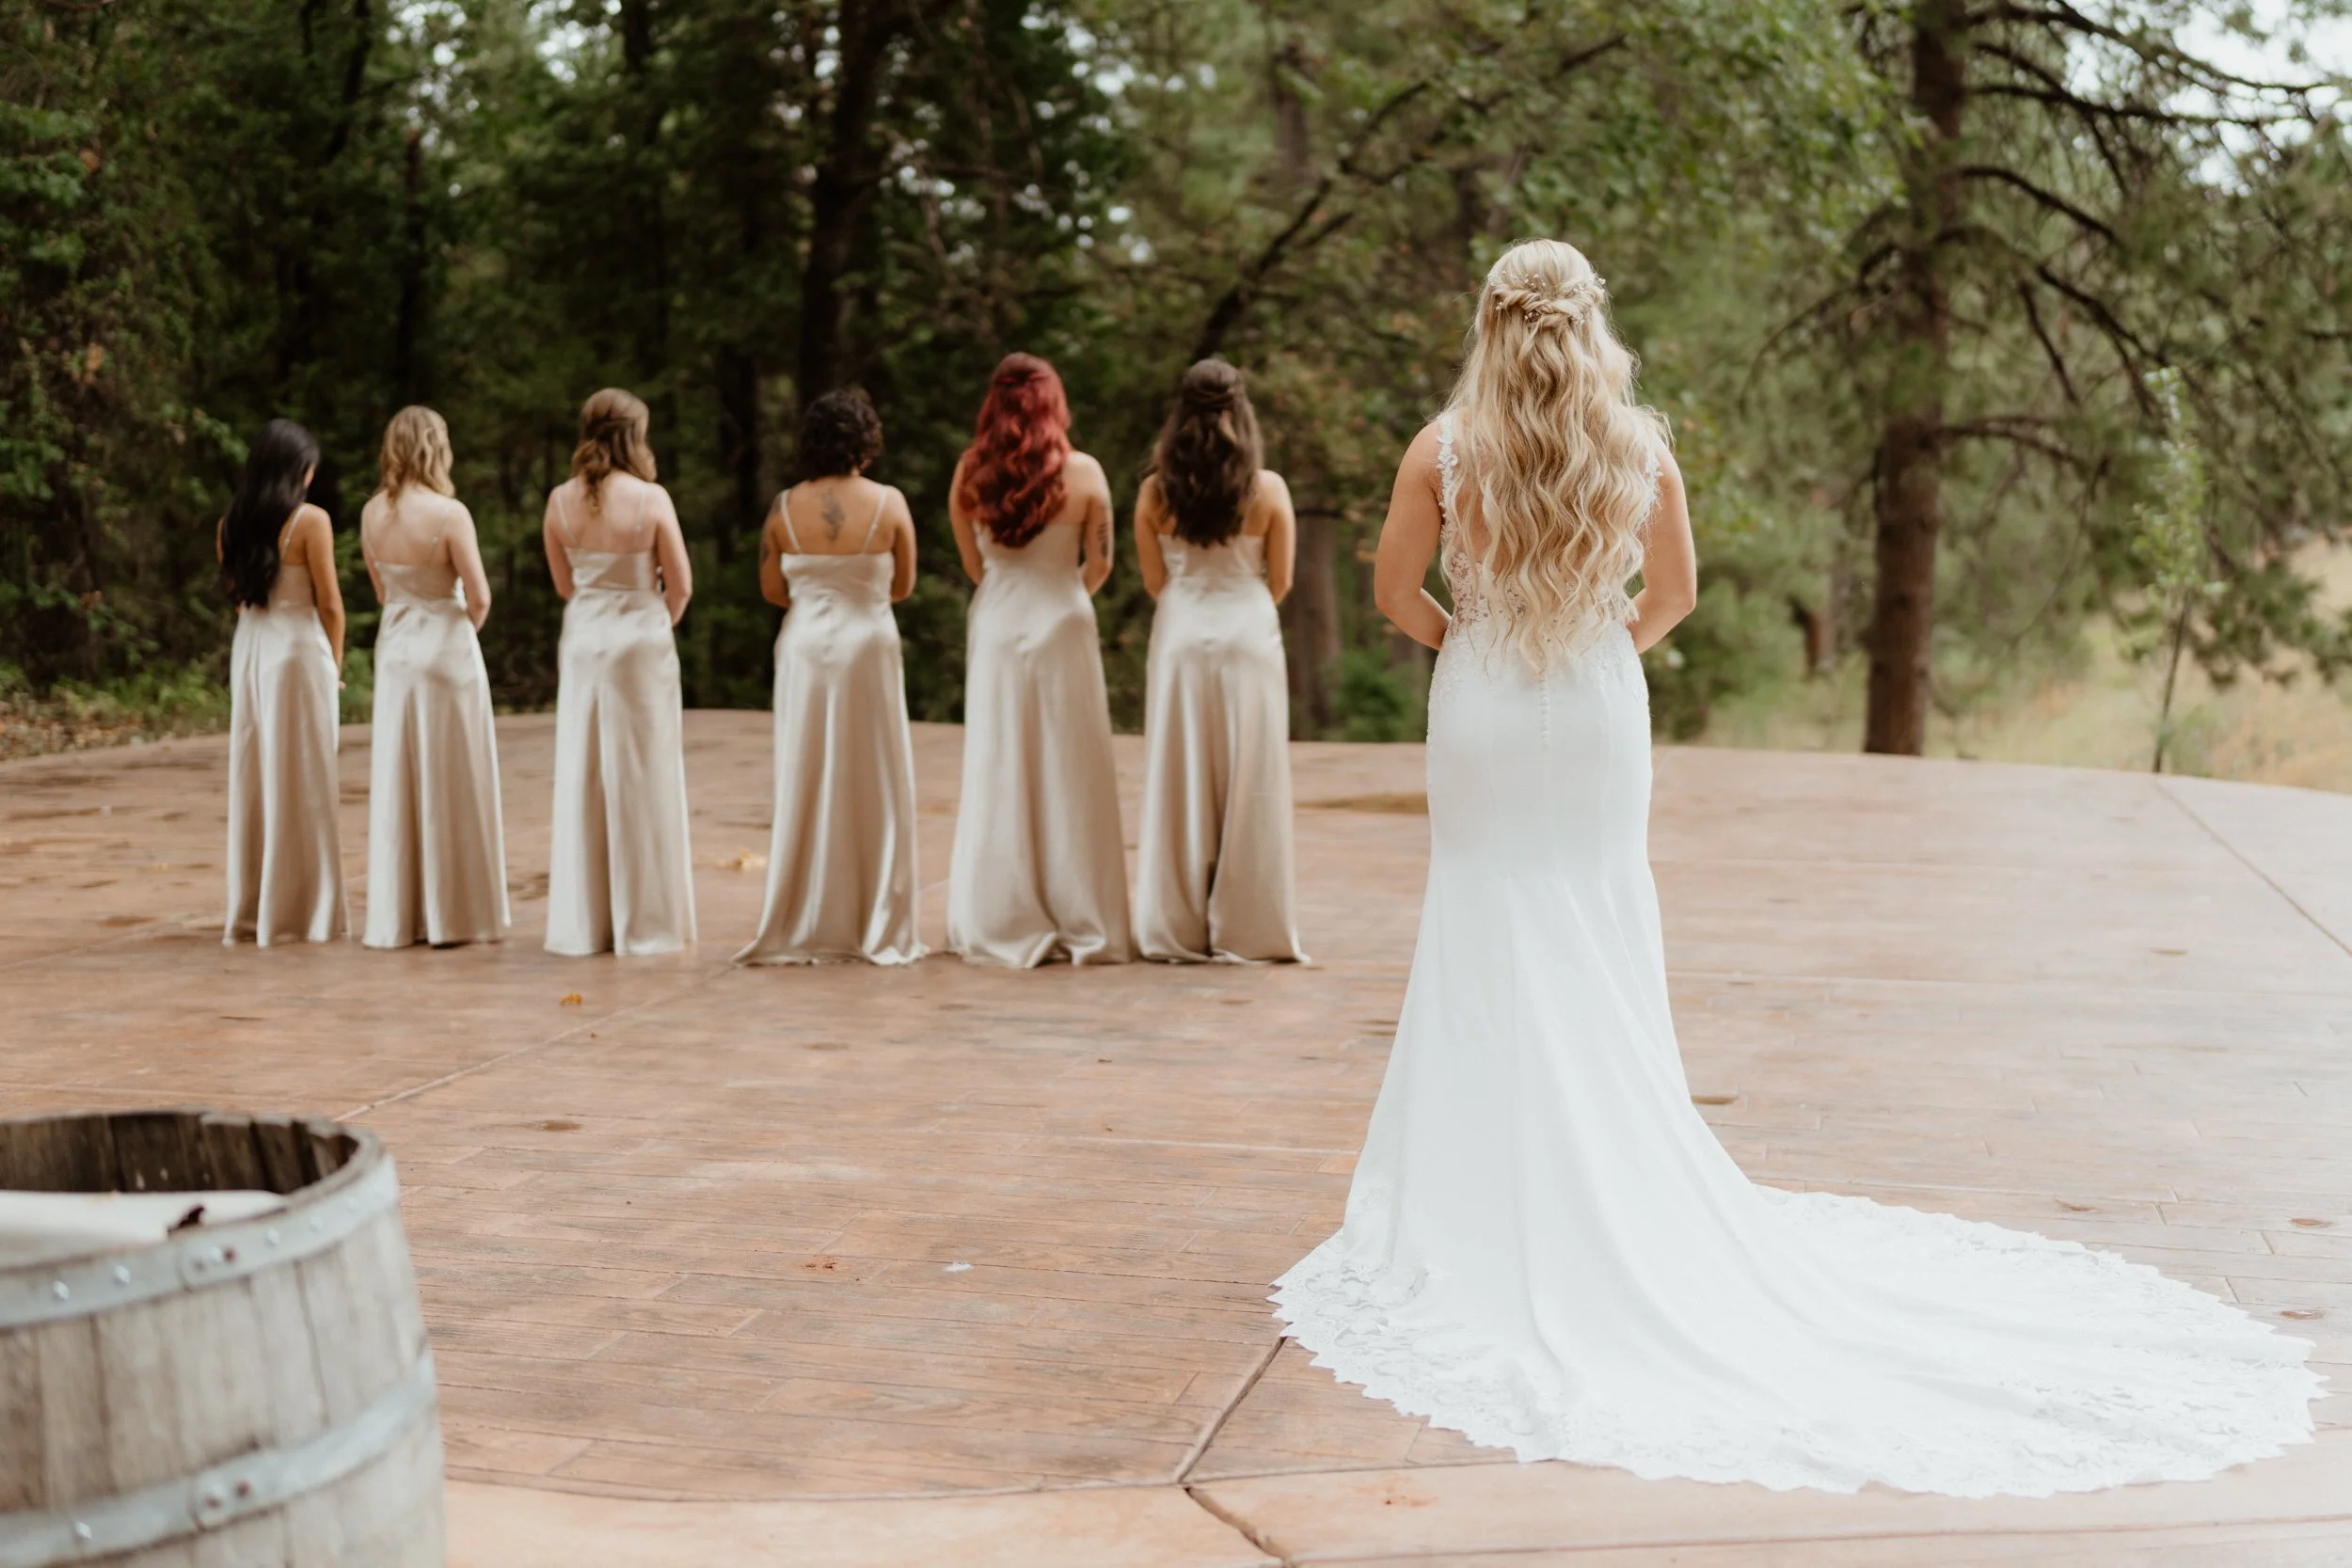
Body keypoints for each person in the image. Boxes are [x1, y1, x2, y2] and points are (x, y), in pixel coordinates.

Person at [1272, 239, 2319, 1496]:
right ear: (1589, 322)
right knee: (1596, 917)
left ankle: (1484, 1193)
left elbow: (1395, 594)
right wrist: (1599, 645)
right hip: (1598, 708)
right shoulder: (1635, 445)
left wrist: (1478, 643)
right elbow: (1679, 591)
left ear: (1488, 325)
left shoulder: (1439, 450)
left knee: (1488, 915)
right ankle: (1609, 1173)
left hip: (1488, 707)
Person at [945, 353, 1132, 967]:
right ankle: (1081, 912)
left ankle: (1000, 910)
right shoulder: (1086, 474)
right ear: (1055, 404)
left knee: (1001, 761)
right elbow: (1101, 564)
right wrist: (1062, 593)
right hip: (1064, 624)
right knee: (1069, 766)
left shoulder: (969, 473)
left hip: (997, 620)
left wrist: (1012, 587)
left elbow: (974, 566)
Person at [736, 389, 924, 966]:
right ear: (867, 444)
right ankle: (872, 912)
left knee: (807, 769)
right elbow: (903, 587)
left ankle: (806, 911)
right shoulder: (890, 505)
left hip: (807, 650)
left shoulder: (783, 508)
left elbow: (772, 591)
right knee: (873, 775)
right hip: (867, 645)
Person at [1132, 359, 1306, 963]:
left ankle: (1175, 926)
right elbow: (1279, 581)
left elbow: (1155, 580)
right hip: (1248, 635)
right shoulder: (1270, 490)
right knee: (1251, 780)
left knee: (1179, 778)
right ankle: (1250, 927)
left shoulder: (1155, 492)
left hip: (1181, 635)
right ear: (1243, 411)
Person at [542, 388, 697, 958]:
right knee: (644, 771)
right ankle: (648, 918)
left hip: (584, 640)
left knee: (586, 771)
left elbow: (565, 585)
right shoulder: (652, 500)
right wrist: (655, 623)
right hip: (640, 642)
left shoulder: (558, 502)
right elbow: (679, 585)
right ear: (635, 435)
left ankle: (587, 920)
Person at [359, 406, 510, 949]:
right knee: (455, 778)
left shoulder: (372, 513)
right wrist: (462, 630)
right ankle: (457, 914)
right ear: (435, 448)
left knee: (401, 777)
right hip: (446, 652)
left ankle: (402, 916)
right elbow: (480, 594)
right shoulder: (451, 514)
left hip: (397, 651)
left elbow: (381, 592)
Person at [220, 419, 349, 945]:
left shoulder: (230, 523)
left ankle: (254, 908)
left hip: (251, 648)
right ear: (300, 471)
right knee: (307, 779)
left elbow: (238, 596)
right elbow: (332, 605)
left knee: (255, 773)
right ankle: (306, 909)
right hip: (297, 652)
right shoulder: (310, 521)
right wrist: (334, 668)